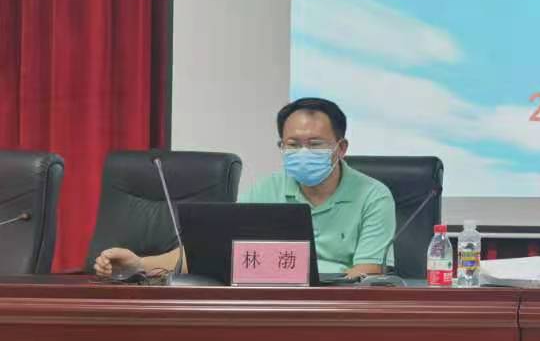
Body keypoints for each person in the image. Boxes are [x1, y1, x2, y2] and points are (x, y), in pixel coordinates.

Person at [93, 97, 397, 280]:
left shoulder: (373, 196)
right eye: (293, 144)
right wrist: (139, 264)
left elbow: (367, 274)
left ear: (341, 148)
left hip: (336, 312)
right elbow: (208, 253)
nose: (303, 152)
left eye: (315, 144)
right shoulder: (267, 190)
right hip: (272, 307)